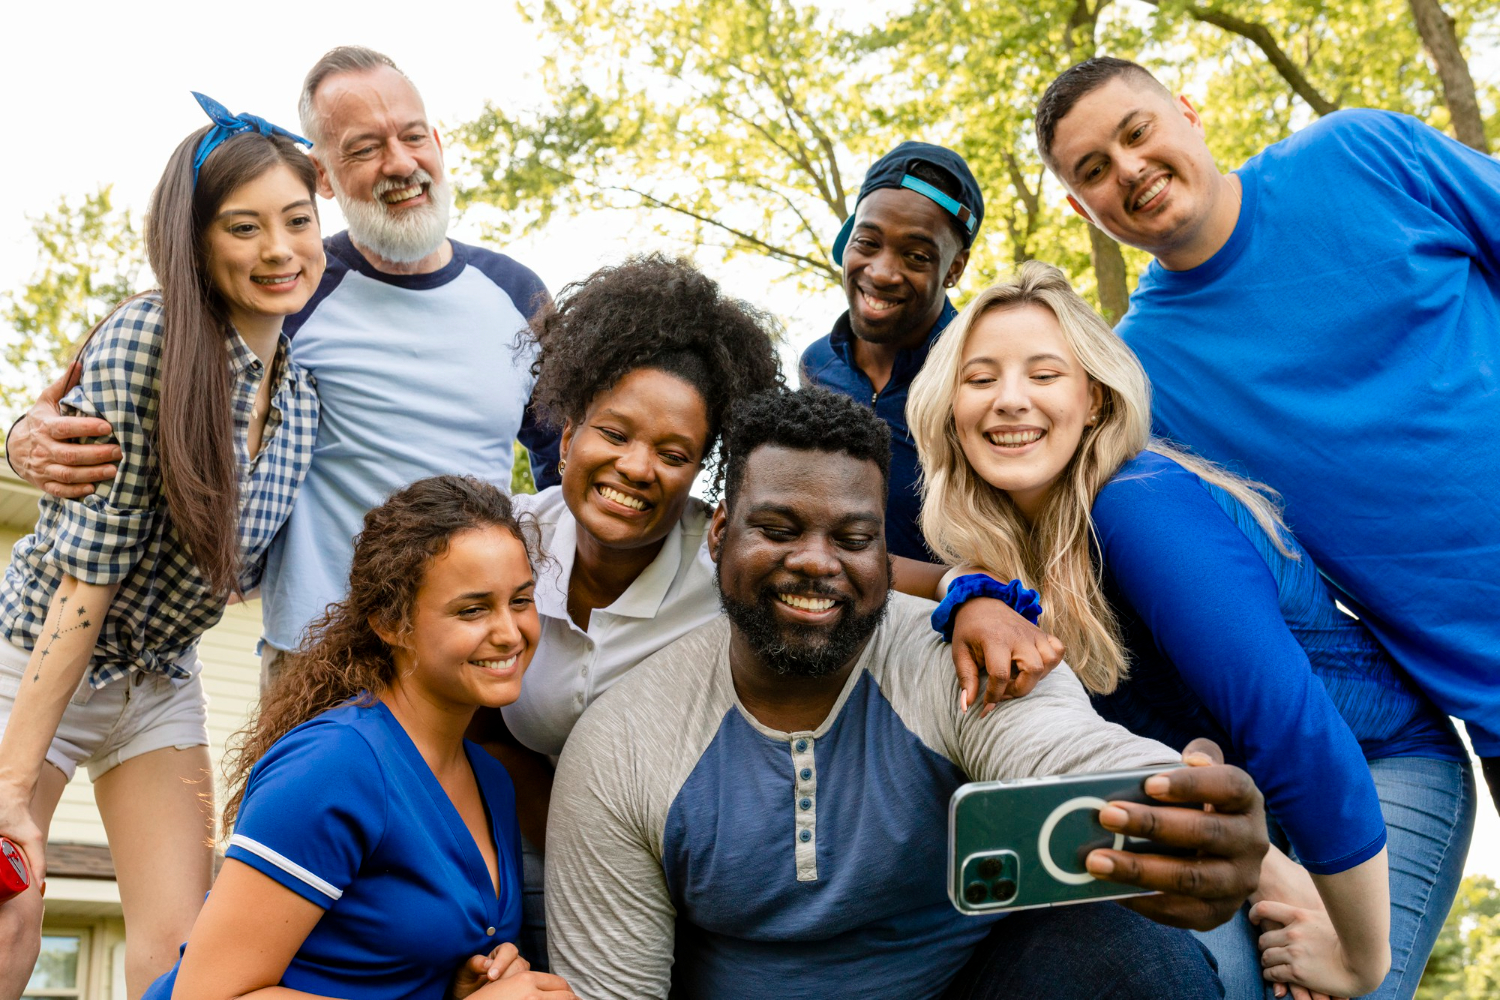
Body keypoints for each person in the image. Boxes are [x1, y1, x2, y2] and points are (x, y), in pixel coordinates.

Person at [544, 386, 1274, 999]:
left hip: (967, 981)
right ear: (720, 534)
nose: (816, 563)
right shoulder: (624, 740)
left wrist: (1171, 806)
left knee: (1132, 952)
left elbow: (1063, 749)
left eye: (853, 538)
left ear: (883, 553)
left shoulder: (955, 656)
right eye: (777, 528)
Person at [909, 261, 1473, 999]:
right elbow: (871, 571)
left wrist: (1360, 959)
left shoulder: (1137, 501)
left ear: (1094, 399)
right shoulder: (1015, 548)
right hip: (1236, 795)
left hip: (1372, 765)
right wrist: (962, 588)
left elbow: (1292, 728)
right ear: (948, 407)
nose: (1010, 400)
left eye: (1044, 374)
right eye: (980, 379)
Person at [1032, 57, 1500, 818]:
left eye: (1137, 131)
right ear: (1085, 211)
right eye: (1096, 168)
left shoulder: (1361, 155)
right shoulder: (1139, 379)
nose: (1130, 168)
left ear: (1188, 112)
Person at [5, 46, 561, 681]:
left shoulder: (518, 296)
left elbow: (563, 471)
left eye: (412, 137)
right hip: (315, 653)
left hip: (473, 654)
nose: (400, 163)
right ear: (322, 176)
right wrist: (27, 436)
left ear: (437, 141)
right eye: (364, 147)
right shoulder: (291, 283)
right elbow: (149, 365)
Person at [0, 95, 323, 998]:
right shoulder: (149, 339)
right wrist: (11, 786)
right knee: (8, 907)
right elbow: (84, 584)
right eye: (244, 227)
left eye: (297, 221)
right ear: (197, 241)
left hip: (159, 679)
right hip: (37, 659)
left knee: (184, 956)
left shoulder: (301, 403)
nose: (278, 250)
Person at [141, 476, 575, 1000]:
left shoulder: (491, 780)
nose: (510, 632)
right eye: (473, 609)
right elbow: (207, 995)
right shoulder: (333, 767)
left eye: (521, 600)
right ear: (391, 624)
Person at [800, 142, 980, 566]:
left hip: (946, 617)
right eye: (867, 242)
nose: (881, 272)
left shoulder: (978, 372)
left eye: (916, 255)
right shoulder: (817, 365)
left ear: (953, 269)